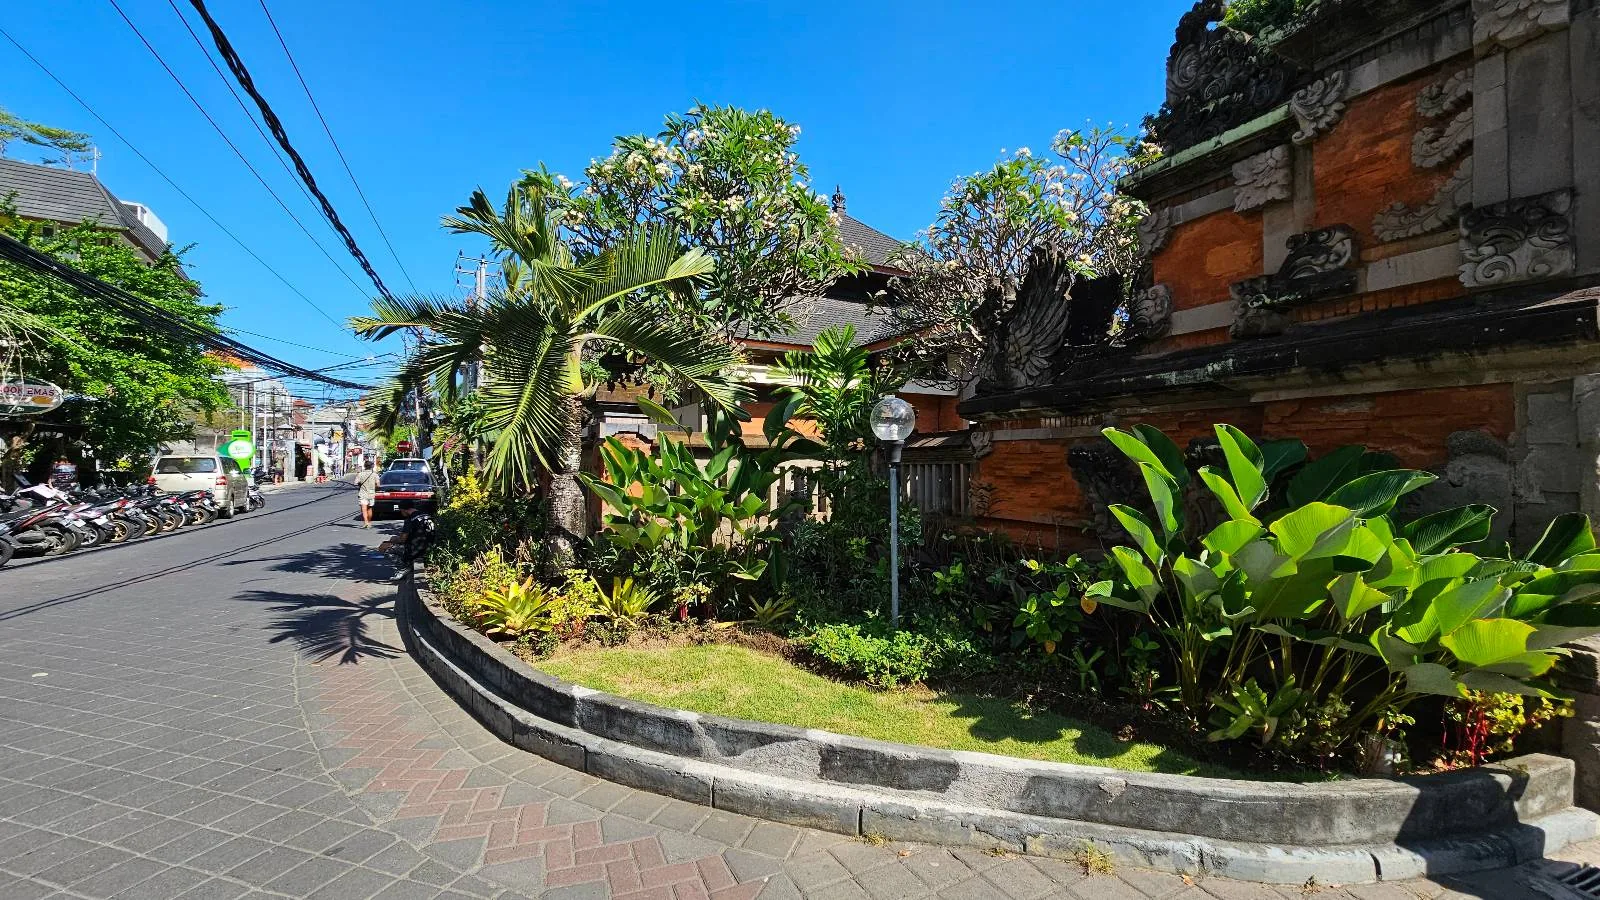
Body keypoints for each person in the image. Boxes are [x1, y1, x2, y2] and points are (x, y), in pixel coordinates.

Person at [353, 459, 378, 527]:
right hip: (371, 493)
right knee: (369, 508)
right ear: (372, 467)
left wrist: (360, 484)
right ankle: (369, 522)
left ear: (364, 466)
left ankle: (366, 522)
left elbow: (355, 483)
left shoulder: (360, 474)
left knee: (364, 509)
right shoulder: (375, 475)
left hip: (363, 493)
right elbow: (378, 485)